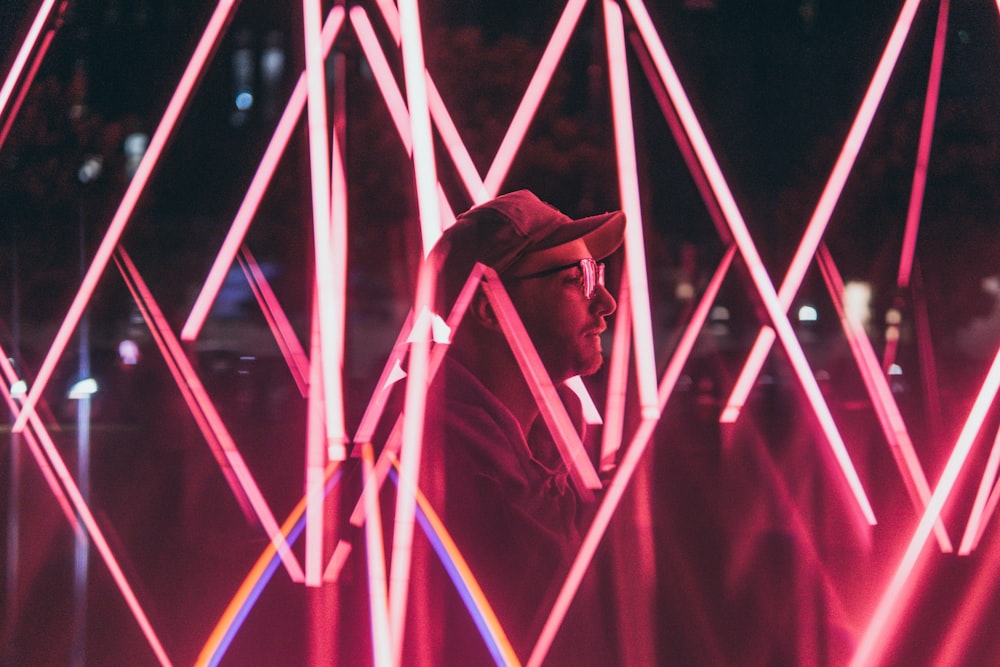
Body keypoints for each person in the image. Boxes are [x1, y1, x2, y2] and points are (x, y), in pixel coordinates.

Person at [413, 189, 625, 665]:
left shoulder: (562, 451)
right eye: (578, 279)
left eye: (598, 275)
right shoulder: (429, 475)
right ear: (488, 308)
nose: (606, 303)